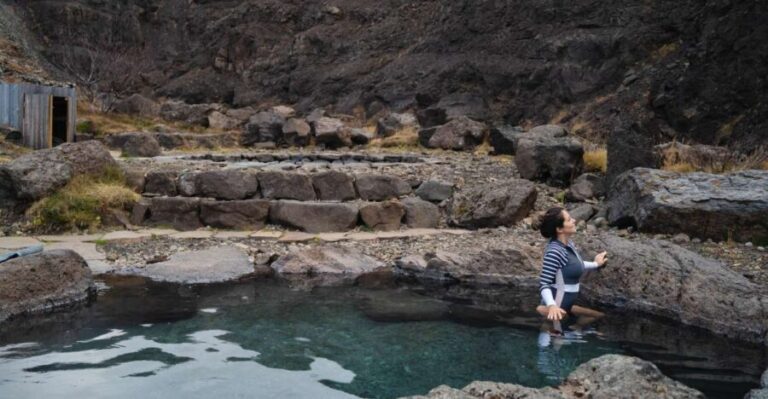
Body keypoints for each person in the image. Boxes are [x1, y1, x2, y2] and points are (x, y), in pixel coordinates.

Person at [535, 207, 608, 326]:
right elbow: (544, 284)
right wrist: (551, 306)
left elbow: (573, 265)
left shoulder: (568, 244)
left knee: (598, 316)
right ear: (559, 229)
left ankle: (575, 329)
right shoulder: (554, 252)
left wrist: (596, 264)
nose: (574, 220)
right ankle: (573, 330)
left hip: (566, 307)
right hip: (555, 311)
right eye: (569, 219)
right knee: (562, 330)